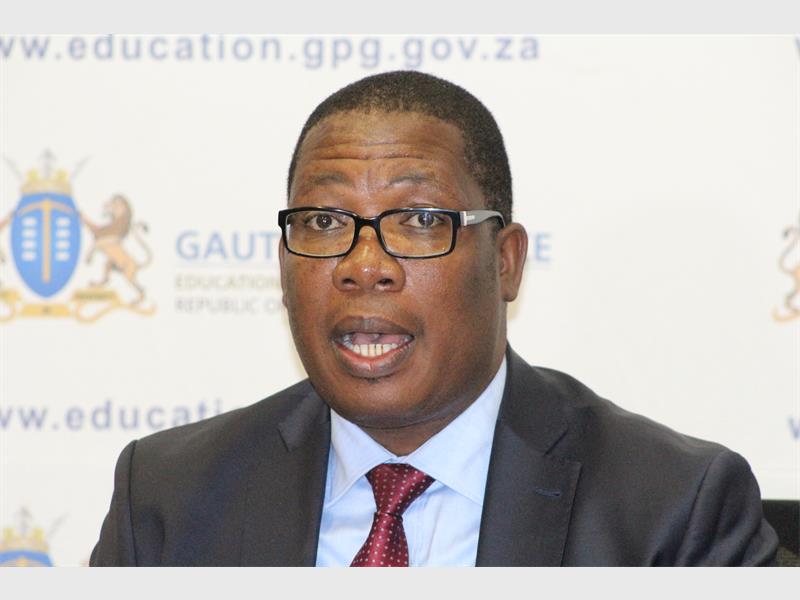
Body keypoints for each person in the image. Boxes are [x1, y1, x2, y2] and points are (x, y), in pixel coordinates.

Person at [90, 70, 778, 566]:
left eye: (419, 220)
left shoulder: (673, 510)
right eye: (324, 222)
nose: (364, 265)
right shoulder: (169, 499)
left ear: (505, 262)